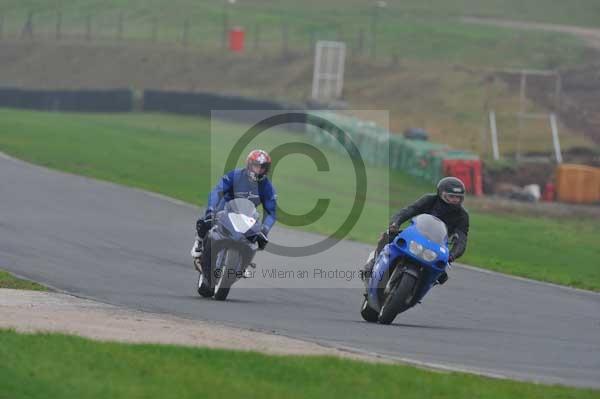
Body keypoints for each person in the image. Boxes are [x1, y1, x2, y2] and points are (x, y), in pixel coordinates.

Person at [362, 176, 469, 285]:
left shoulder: (463, 216)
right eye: (451, 196)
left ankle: (418, 290)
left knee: (441, 275)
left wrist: (453, 254)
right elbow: (409, 210)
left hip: (438, 245)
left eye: (458, 197)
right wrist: (395, 223)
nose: (455, 200)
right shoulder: (429, 200)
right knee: (388, 236)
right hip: (416, 234)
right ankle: (373, 263)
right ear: (441, 194)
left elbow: (462, 239)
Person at [191, 149, 277, 280]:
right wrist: (210, 210)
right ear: (249, 164)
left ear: (267, 169)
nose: (258, 170)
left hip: (247, 215)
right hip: (225, 210)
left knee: (257, 239)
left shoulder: (267, 187)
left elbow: (271, 212)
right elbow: (217, 191)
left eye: (262, 168)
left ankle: (243, 262)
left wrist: (264, 230)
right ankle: (199, 242)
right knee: (206, 221)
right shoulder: (235, 175)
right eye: (256, 166)